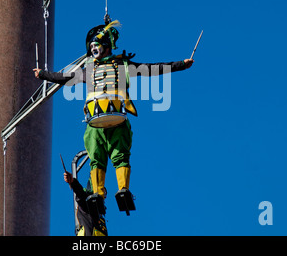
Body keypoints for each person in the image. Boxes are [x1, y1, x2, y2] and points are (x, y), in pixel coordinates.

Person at [34, 20, 194, 213]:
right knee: (97, 157)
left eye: (96, 45)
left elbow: (154, 68)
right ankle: (98, 193)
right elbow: (65, 78)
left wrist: (180, 65)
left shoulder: (122, 65)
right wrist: (44, 74)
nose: (94, 50)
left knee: (119, 154)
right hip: (95, 122)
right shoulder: (89, 69)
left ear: (106, 45)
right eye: (92, 47)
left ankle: (123, 189)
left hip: (114, 117)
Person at [64, 171, 108, 236]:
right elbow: (80, 194)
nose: (103, 195)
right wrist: (73, 182)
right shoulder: (88, 205)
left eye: (104, 193)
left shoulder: (100, 218)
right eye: (102, 191)